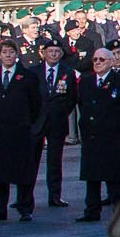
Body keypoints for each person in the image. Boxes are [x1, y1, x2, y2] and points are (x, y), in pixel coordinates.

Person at [0, 35, 44, 223]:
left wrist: (28, 124)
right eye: (4, 52)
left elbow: (35, 104)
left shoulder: (28, 76)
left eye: (11, 52)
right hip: (0, 131)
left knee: (23, 172)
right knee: (0, 173)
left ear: (17, 54)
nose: (8, 55)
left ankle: (25, 208)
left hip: (21, 130)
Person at [75, 47, 120, 223]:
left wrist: (119, 127)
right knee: (92, 177)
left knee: (114, 177)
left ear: (110, 62)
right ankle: (92, 210)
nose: (98, 63)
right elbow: (82, 104)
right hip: (92, 135)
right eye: (95, 60)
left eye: (102, 60)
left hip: (113, 136)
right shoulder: (86, 82)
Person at [30, 36, 76, 209]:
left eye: (57, 51)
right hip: (37, 121)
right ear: (44, 53)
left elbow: (71, 98)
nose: (54, 54)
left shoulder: (67, 72)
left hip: (57, 121)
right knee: (31, 161)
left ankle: (55, 196)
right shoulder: (33, 72)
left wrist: (61, 112)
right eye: (50, 51)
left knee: (55, 161)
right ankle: (27, 197)